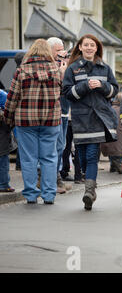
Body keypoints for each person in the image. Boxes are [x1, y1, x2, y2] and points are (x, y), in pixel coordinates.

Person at [63, 34, 119, 210]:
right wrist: (85, 86)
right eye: (86, 45)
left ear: (96, 48)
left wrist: (102, 86)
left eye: (92, 45)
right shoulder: (73, 69)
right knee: (82, 157)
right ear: (80, 47)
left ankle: (88, 191)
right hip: (79, 119)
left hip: (98, 119)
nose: (89, 48)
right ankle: (91, 186)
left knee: (91, 156)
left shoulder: (104, 68)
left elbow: (114, 91)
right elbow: (67, 93)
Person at [4, 39, 62, 204]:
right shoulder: (57, 71)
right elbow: (61, 94)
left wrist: (8, 119)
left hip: (26, 121)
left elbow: (12, 98)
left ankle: (30, 194)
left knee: (29, 158)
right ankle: (49, 194)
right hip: (51, 120)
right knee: (49, 157)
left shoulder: (22, 71)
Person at [47, 37, 71, 194]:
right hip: (52, 113)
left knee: (61, 146)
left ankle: (56, 177)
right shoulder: (48, 67)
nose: (61, 53)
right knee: (53, 148)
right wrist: (60, 71)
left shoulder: (65, 66)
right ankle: (50, 179)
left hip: (64, 111)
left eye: (63, 49)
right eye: (58, 50)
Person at [101, 92, 122, 174]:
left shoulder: (108, 110)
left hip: (108, 144)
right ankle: (119, 163)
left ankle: (113, 164)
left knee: (112, 146)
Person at [0, 89, 16, 193]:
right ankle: (3, 184)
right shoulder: (2, 94)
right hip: (2, 131)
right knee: (2, 157)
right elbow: (9, 111)